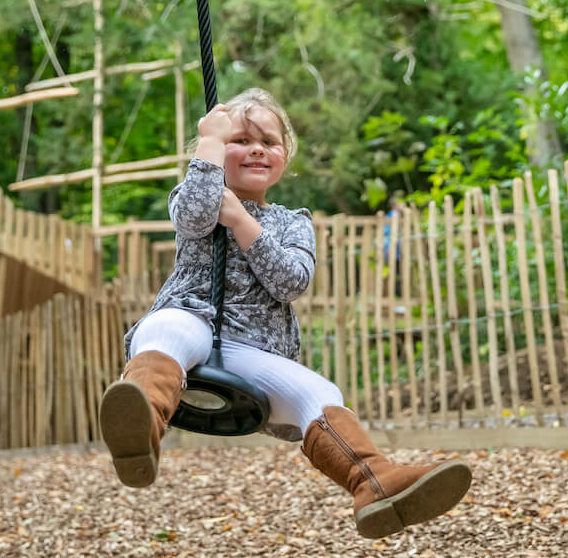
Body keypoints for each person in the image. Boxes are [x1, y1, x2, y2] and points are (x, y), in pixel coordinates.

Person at [99, 88, 471, 539]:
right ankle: (142, 430)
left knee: (322, 391)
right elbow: (195, 216)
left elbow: (292, 281)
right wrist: (209, 148)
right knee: (167, 329)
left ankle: (374, 483)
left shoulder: (293, 222)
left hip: (255, 348)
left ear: (284, 157)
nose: (256, 148)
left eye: (269, 142)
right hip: (191, 319)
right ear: (215, 147)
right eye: (239, 139)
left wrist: (240, 220)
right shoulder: (196, 191)